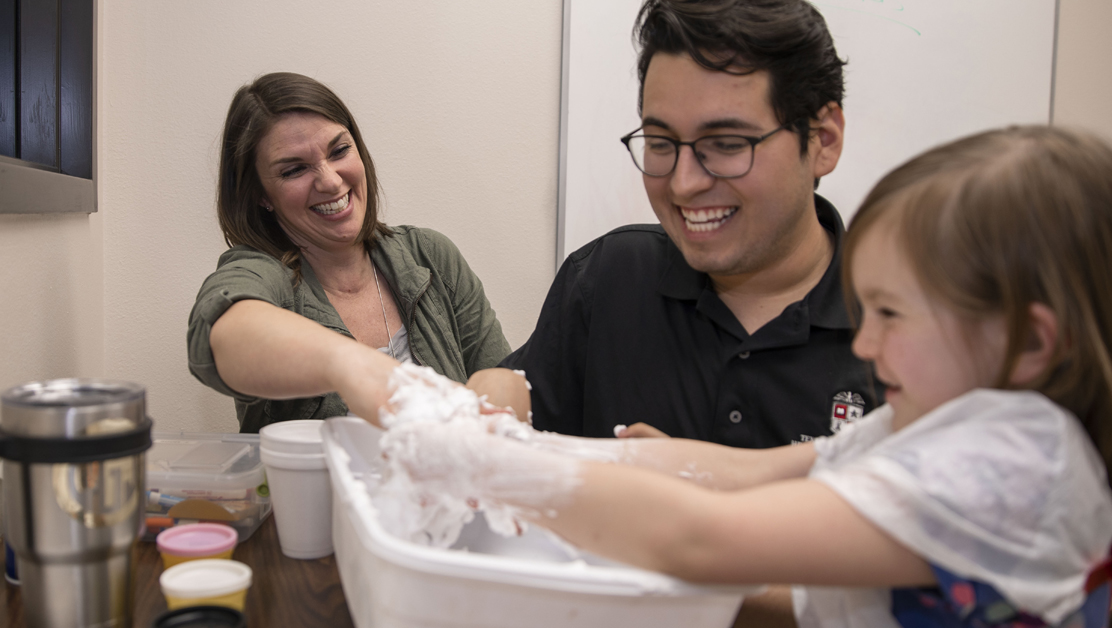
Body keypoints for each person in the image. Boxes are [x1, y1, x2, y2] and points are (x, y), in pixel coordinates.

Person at [384, 125, 1112, 627]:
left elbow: (704, 538)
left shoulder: (1015, 464)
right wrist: (556, 452)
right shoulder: (936, 418)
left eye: (891, 313)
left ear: (1028, 345)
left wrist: (484, 463)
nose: (864, 337)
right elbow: (746, 473)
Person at [489, 0, 880, 446]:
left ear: (823, 140)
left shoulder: (906, 328)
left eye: (727, 144)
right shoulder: (608, 277)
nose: (683, 183)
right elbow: (512, 422)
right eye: (660, 143)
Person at [187, 72, 517, 433]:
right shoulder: (262, 272)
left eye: (339, 151)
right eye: (295, 169)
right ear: (261, 195)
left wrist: (488, 405)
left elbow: (501, 376)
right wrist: (353, 366)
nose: (329, 181)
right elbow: (220, 336)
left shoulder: (430, 256)